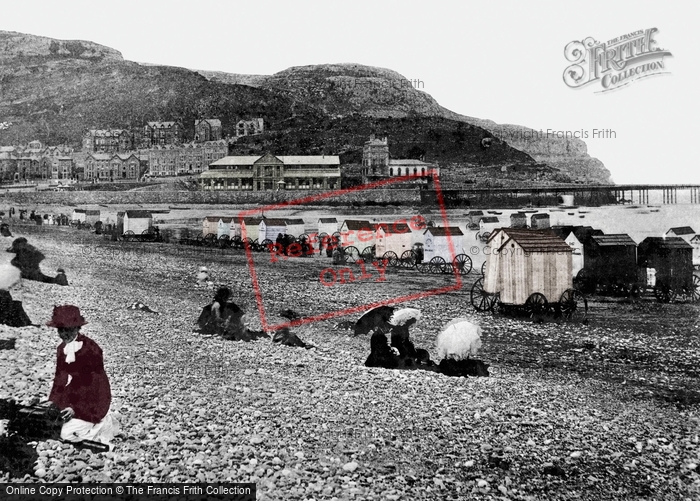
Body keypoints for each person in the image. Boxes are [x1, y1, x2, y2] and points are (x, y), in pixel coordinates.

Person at [46, 305, 119, 448]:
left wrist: (75, 408)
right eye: (61, 330)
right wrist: (52, 401)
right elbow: (60, 378)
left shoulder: (92, 349)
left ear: (77, 328)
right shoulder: (61, 349)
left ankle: (100, 425)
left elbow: (93, 383)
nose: (64, 334)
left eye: (69, 330)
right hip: (76, 390)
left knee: (66, 433)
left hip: (95, 395)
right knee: (51, 420)